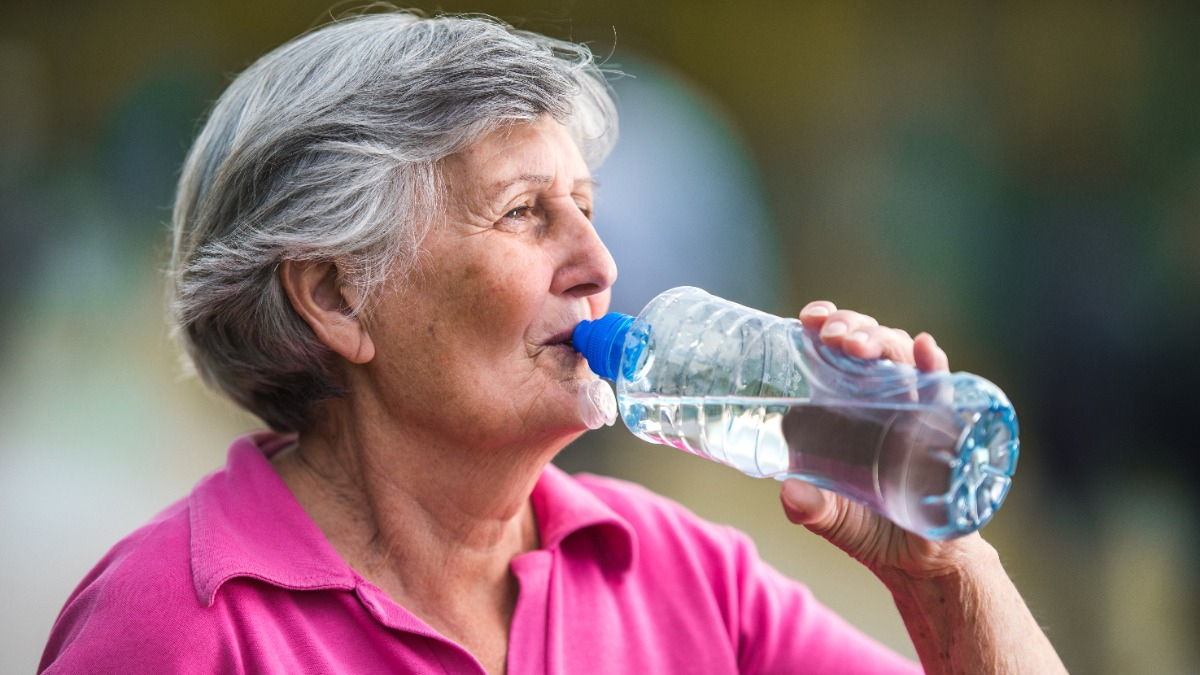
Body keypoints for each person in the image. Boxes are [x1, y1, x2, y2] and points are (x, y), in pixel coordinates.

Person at [39, 10, 1066, 674]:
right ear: (337, 297)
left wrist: (946, 576)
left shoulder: (683, 577)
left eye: (588, 206)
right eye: (528, 213)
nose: (603, 264)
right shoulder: (177, 623)